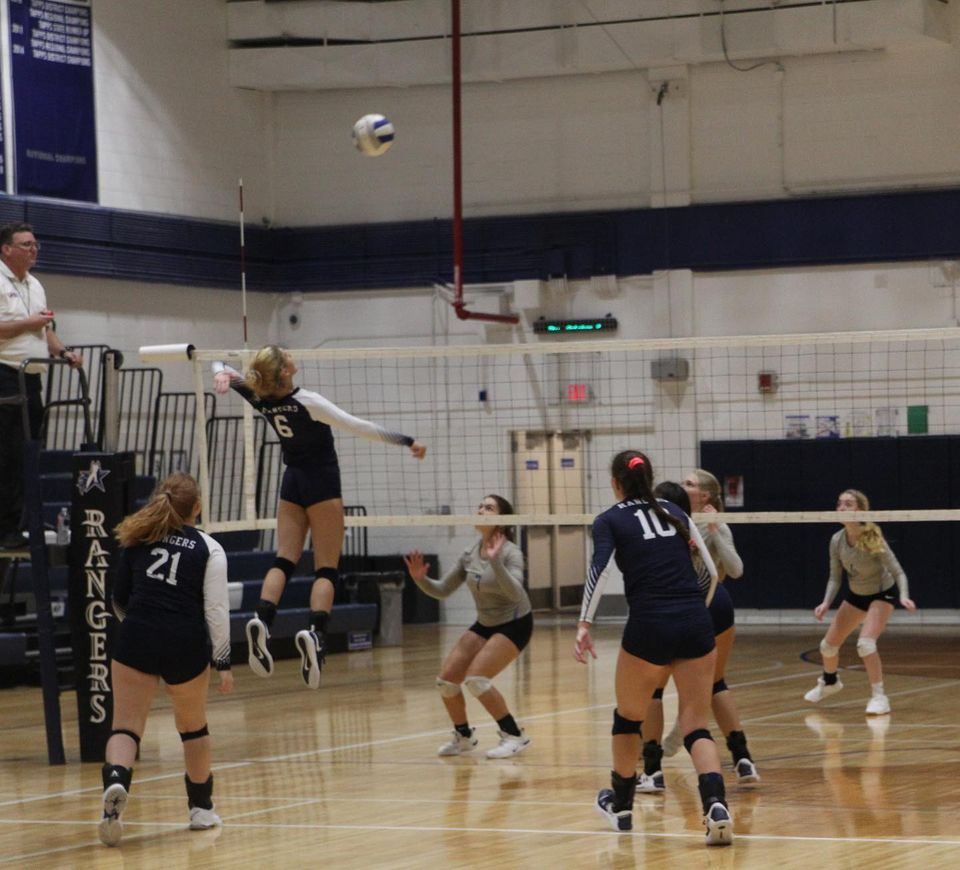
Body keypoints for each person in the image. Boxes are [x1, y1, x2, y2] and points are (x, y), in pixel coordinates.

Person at [213, 345, 426, 689]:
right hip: (322, 482)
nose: (292, 355)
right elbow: (360, 427)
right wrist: (407, 441)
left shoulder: (261, 394)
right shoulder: (307, 401)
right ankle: (316, 634)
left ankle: (263, 619)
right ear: (284, 371)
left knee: (284, 559)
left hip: (292, 481)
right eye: (286, 354)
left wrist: (221, 373)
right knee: (326, 568)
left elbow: (218, 362)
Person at [574, 450, 733, 846]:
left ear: (615, 483)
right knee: (696, 723)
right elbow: (712, 572)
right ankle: (716, 806)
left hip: (650, 623)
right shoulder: (673, 511)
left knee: (628, 717)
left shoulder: (609, 519)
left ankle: (622, 806)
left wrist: (584, 623)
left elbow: (598, 570)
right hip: (696, 620)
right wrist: (700, 605)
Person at [98, 473, 233, 847]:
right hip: (184, 640)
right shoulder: (209, 547)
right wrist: (223, 661)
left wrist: (142, 628)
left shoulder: (137, 536)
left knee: (125, 727)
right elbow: (217, 611)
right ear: (197, 508)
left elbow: (118, 600)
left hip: (137, 633)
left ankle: (116, 784)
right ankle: (201, 809)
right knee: (193, 728)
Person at [643, 471, 760, 790]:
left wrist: (714, 530)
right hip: (709, 603)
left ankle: (652, 770)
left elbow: (736, 569)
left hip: (698, 602)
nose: (684, 486)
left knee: (654, 689)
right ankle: (742, 757)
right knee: (713, 683)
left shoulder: (709, 522)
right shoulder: (666, 520)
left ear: (706, 496)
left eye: (691, 483)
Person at [403, 494, 533, 759]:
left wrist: (496, 562)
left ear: (502, 519)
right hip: (486, 622)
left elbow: (515, 594)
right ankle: (464, 736)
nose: (481, 510)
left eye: (489, 507)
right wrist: (420, 579)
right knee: (446, 681)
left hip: (515, 622)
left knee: (476, 679)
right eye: (480, 506)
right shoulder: (470, 553)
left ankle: (514, 735)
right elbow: (442, 590)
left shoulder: (511, 552)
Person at [0, 222, 82, 550]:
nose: (33, 250)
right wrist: (28, 324)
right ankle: (4, 528)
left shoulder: (35, 284)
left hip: (33, 378)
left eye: (35, 244)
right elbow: (25, 326)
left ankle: (18, 525)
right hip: (4, 375)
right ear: (6, 248)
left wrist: (63, 351)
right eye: (26, 244)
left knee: (27, 454)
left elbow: (44, 329)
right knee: (6, 453)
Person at [804, 488, 916, 715]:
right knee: (827, 646)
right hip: (857, 595)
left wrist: (904, 595)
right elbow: (835, 577)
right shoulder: (836, 540)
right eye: (839, 504)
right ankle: (830, 681)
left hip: (882, 594)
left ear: (860, 510)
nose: (842, 508)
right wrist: (826, 603)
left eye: (848, 504)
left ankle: (879, 697)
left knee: (865, 645)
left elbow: (898, 572)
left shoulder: (873, 537)